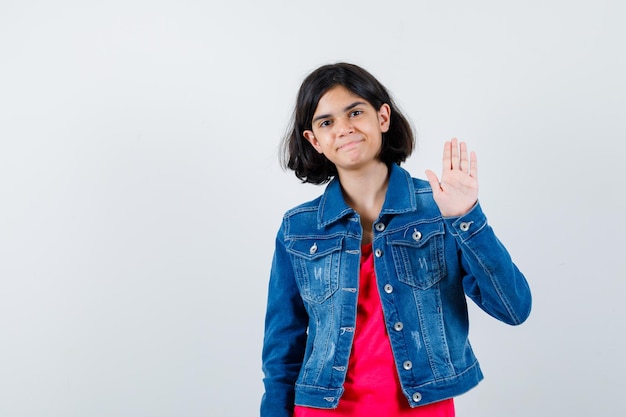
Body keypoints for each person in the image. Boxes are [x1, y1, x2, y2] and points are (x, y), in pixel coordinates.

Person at [260, 63, 531, 417]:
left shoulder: (439, 209)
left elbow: (514, 308)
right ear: (314, 140)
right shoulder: (298, 228)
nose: (344, 129)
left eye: (355, 112)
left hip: (422, 408)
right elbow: (282, 349)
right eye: (326, 122)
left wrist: (466, 218)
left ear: (382, 117)